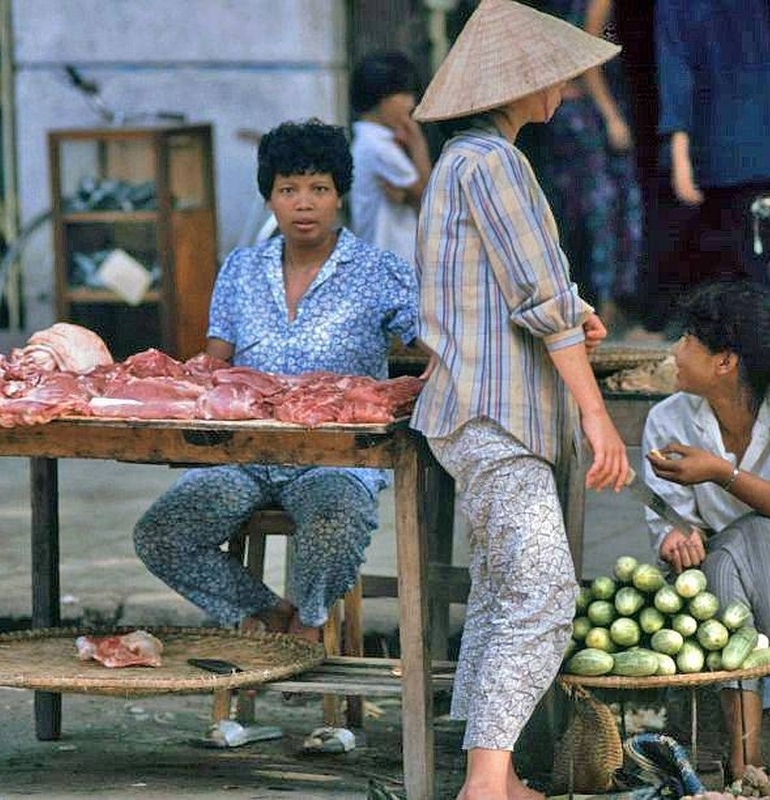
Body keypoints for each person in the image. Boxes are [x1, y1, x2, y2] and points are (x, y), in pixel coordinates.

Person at [410, 2, 630, 797]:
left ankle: (491, 779)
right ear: (523, 84)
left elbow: (525, 292)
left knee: (504, 592)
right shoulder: (494, 165)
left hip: (470, 412)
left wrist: (574, 311)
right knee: (541, 594)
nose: (566, 91)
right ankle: (483, 786)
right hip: (495, 414)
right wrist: (596, 416)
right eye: (556, 79)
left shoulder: (462, 163)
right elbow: (539, 298)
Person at [133, 119, 417, 650]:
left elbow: (438, 339)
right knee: (162, 532)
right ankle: (269, 615)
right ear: (270, 198)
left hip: (335, 456)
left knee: (337, 514)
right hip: (247, 453)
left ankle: (310, 623)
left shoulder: (381, 271)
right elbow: (214, 366)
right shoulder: (240, 269)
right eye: (289, 189)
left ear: (339, 196)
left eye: (319, 189)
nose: (304, 203)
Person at [641, 279, 770, 778]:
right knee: (724, 555)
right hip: (715, 614)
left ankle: (748, 758)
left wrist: (723, 474)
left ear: (725, 361)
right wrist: (675, 540)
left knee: (763, 530)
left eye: (689, 339)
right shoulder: (668, 421)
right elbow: (672, 524)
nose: (675, 349)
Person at [650, 0, 770, 333]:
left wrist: (680, 158)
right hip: (767, 153)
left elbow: (677, 71)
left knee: (719, 289)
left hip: (717, 159)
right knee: (767, 290)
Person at [523, 0, 643, 334]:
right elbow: (587, 60)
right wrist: (612, 116)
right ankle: (604, 304)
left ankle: (595, 302)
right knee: (603, 210)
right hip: (585, 115)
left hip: (571, 114)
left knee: (586, 209)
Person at [349, 50, 431, 265]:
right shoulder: (379, 148)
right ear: (382, 97)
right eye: (404, 95)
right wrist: (418, 143)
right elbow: (429, 200)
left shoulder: (368, 141)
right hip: (392, 263)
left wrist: (407, 197)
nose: (411, 103)